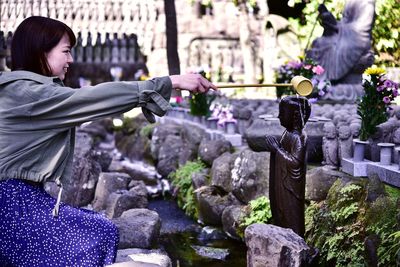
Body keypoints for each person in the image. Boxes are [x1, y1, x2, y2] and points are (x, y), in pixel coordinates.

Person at [0, 16, 216, 266]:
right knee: (98, 235)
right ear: (40, 52)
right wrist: (171, 82)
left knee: (102, 230)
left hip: (22, 202)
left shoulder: (21, 89)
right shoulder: (28, 93)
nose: (71, 60)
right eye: (66, 52)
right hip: (12, 209)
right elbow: (94, 98)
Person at [264, 96, 311, 237]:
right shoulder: (287, 133)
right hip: (282, 186)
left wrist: (277, 149)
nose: (278, 116)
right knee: (281, 213)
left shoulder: (298, 137)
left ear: (295, 116)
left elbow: (296, 164)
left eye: (282, 113)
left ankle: (295, 243)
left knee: (291, 217)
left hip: (291, 190)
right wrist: (275, 149)